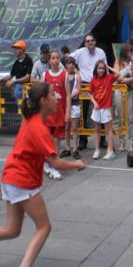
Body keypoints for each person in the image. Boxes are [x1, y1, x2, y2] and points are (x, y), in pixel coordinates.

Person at [0, 82, 85, 267]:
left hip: (11, 178)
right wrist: (77, 164)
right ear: (43, 100)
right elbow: (55, 163)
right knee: (44, 226)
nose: (57, 98)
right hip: (22, 181)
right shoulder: (38, 128)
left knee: (12, 229)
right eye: (53, 95)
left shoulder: (31, 120)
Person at [71, 33, 107, 150]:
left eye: (92, 40)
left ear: (95, 41)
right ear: (85, 43)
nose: (90, 42)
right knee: (83, 113)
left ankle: (102, 139)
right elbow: (68, 60)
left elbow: (105, 67)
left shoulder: (101, 52)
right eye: (87, 41)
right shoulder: (80, 52)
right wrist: (76, 72)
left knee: (101, 111)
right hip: (85, 85)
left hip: (98, 84)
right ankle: (83, 140)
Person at [42, 50, 71, 180]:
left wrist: (68, 112)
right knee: (46, 140)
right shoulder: (45, 75)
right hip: (47, 115)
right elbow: (42, 95)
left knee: (56, 141)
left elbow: (69, 95)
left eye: (57, 58)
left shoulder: (64, 75)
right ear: (49, 60)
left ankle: (54, 165)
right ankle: (46, 163)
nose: (55, 60)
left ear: (60, 60)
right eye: (52, 58)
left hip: (59, 113)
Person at [89, 60, 120, 160]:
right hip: (97, 108)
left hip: (106, 108)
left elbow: (118, 73)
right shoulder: (93, 80)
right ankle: (97, 150)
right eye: (99, 68)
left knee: (108, 130)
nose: (101, 70)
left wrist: (108, 66)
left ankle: (110, 150)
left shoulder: (109, 78)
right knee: (97, 130)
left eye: (103, 68)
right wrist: (94, 103)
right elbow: (90, 94)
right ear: (96, 69)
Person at [113, 43, 133, 152]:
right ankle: (121, 142)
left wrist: (126, 79)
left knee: (131, 118)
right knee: (120, 117)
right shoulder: (118, 62)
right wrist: (127, 77)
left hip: (129, 91)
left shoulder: (132, 63)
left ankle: (131, 143)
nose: (131, 54)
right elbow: (117, 77)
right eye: (130, 52)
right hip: (119, 92)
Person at [2, 40, 33, 107]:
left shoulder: (28, 60)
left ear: (22, 50)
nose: (15, 50)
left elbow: (28, 77)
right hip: (18, 88)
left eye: (17, 48)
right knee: (20, 106)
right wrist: (0, 80)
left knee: (27, 106)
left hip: (27, 88)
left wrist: (14, 81)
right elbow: (11, 75)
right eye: (15, 49)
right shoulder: (16, 62)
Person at [65, 57, 82, 159]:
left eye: (72, 63)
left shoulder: (77, 76)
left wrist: (70, 97)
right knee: (66, 127)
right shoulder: (65, 75)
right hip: (66, 105)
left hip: (74, 104)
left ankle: (75, 149)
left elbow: (79, 89)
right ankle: (67, 148)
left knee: (74, 127)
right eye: (68, 63)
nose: (70, 65)